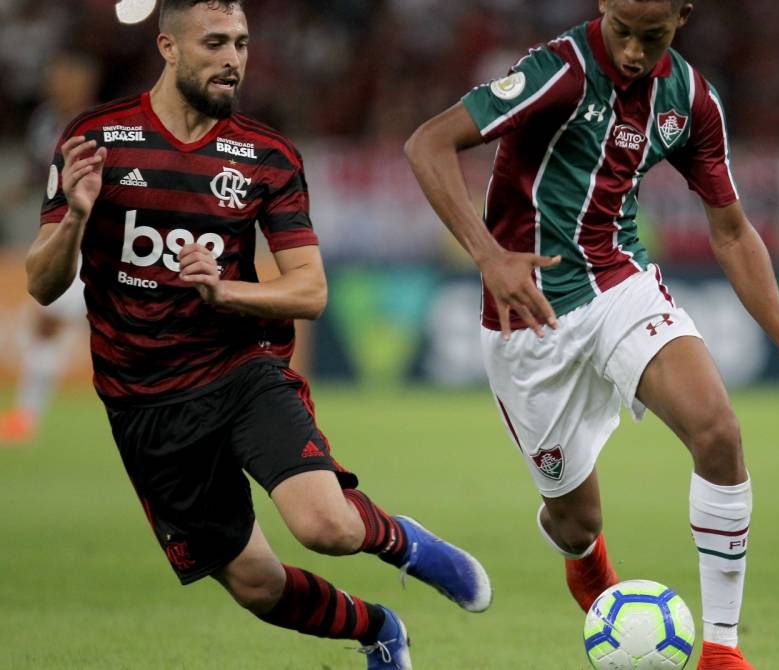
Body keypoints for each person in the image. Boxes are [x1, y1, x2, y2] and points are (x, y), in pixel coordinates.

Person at [24, 2, 490, 668]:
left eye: (241, 43)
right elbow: (42, 284)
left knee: (325, 525)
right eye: (215, 43)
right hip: (144, 404)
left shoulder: (266, 156)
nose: (233, 58)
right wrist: (73, 218)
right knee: (255, 585)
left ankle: (405, 545)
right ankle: (378, 629)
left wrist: (228, 290)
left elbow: (311, 290)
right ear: (169, 47)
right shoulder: (97, 139)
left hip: (240, 369)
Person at [405, 1, 779, 668]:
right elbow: (427, 142)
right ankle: (585, 561)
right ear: (603, 7)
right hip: (529, 319)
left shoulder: (689, 99)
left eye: (651, 37)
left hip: (621, 285)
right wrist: (487, 256)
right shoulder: (557, 70)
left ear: (682, 16)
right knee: (575, 521)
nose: (631, 52)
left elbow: (732, 231)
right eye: (622, 32)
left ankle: (722, 649)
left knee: (718, 432)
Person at [0, 51, 99, 444]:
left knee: (53, 323)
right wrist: (20, 189)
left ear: (84, 84)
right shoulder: (44, 121)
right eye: (55, 76)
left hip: (97, 243)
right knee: (47, 323)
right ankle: (26, 416)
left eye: (67, 77)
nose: (58, 84)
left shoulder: (99, 124)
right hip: (64, 240)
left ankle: (26, 415)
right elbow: (39, 169)